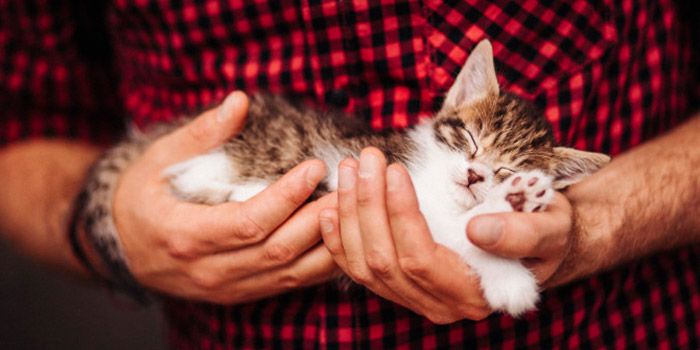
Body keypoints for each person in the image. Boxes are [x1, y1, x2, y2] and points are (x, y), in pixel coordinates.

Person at [0, 0, 697, 348]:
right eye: (473, 159)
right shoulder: (432, 144)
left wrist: (594, 229)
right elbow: (21, 120)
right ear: (458, 102)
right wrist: (110, 229)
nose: (472, 176)